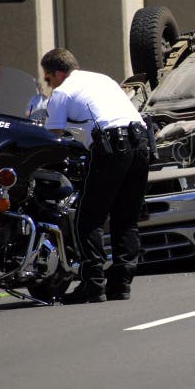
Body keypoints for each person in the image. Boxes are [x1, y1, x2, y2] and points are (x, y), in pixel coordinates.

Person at [41, 48, 149, 304]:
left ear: (57, 73)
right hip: (142, 144)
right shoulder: (103, 79)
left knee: (89, 219)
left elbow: (51, 137)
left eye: (47, 78)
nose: (48, 84)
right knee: (126, 219)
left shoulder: (62, 92)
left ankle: (93, 285)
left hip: (112, 148)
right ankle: (121, 285)